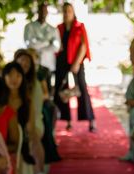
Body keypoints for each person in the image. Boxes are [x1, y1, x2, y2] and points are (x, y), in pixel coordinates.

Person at [55, 2, 95, 132]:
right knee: (62, 90)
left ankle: (90, 120)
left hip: (76, 62)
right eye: (65, 11)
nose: (67, 14)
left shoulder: (79, 26)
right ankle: (66, 120)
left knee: (82, 89)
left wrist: (76, 63)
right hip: (61, 62)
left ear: (73, 13)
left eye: (69, 11)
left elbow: (83, 45)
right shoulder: (59, 28)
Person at [15, 50, 47, 174]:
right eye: (21, 61)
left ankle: (39, 173)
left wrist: (31, 125)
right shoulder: (14, 80)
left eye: (27, 62)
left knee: (34, 140)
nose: (24, 64)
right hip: (18, 121)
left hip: (33, 120)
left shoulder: (34, 83)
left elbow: (35, 108)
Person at [24, 2, 60, 74]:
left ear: (47, 12)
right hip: (33, 64)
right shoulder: (29, 27)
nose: (43, 12)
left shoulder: (53, 30)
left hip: (48, 64)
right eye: (41, 10)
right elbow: (29, 44)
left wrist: (38, 43)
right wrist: (47, 42)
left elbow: (56, 47)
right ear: (38, 11)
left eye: (45, 10)